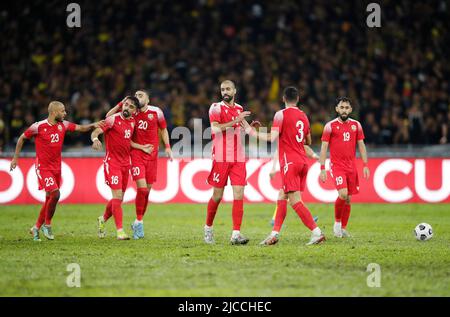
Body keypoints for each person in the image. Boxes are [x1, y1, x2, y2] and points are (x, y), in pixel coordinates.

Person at [10, 101, 102, 241]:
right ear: (53, 112)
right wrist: (15, 159)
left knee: (49, 199)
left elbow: (80, 128)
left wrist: (93, 125)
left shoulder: (63, 125)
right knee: (56, 194)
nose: (65, 113)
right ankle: (47, 224)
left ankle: (35, 228)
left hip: (56, 168)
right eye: (62, 111)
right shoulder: (38, 126)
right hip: (43, 167)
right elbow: (22, 138)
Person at [246, 86, 325, 245]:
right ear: (297, 99)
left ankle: (316, 233)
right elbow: (308, 141)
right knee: (282, 196)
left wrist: (252, 133)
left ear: (283, 99)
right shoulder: (304, 116)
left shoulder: (280, 115)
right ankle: (274, 234)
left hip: (290, 161)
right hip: (303, 161)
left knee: (295, 201)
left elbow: (272, 137)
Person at [105, 90, 172, 239]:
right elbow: (109, 118)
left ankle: (137, 221)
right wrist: (121, 104)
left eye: (141, 95)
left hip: (152, 156)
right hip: (136, 155)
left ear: (148, 99)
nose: (138, 96)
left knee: (146, 191)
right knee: (141, 189)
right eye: (136, 94)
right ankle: (138, 223)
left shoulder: (157, 112)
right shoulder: (131, 113)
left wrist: (167, 147)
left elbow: (163, 129)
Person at [204, 80, 252, 245]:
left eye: (228, 89)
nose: (225, 91)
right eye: (222, 89)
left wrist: (249, 127)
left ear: (234, 91)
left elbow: (241, 128)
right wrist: (236, 121)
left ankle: (236, 234)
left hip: (238, 158)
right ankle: (208, 228)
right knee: (217, 196)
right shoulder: (215, 107)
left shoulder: (239, 108)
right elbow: (216, 129)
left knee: (239, 194)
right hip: (221, 157)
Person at [91, 96, 143, 240]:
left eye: (131, 107)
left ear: (135, 111)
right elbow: (96, 131)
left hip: (126, 164)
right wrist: (95, 139)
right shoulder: (112, 119)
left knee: (118, 198)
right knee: (118, 196)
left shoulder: (132, 122)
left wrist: (142, 147)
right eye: (126, 105)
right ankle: (120, 231)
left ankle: (102, 219)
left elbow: (128, 142)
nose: (127, 108)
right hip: (112, 163)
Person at [319, 97, 370, 238]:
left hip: (351, 166)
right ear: (337, 109)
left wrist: (365, 164)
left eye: (347, 107)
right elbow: (323, 148)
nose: (344, 110)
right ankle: (337, 224)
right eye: (342, 107)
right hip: (337, 166)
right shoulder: (330, 126)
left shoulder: (356, 125)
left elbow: (361, 145)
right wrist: (322, 168)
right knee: (343, 194)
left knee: (348, 198)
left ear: (351, 110)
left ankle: (343, 228)